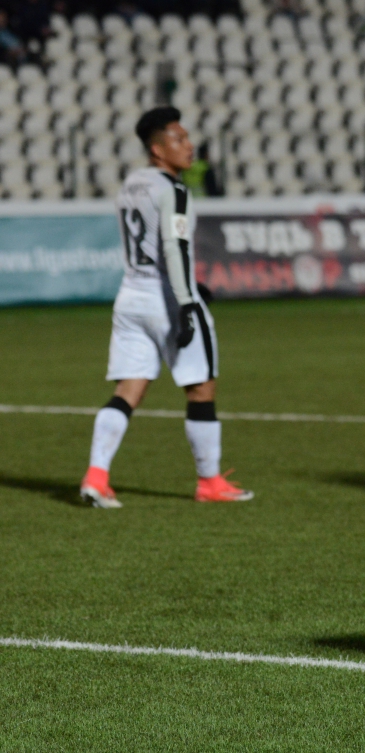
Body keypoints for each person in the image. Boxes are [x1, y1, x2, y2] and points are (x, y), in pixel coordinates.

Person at [80, 107, 253, 508]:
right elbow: (175, 248)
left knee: (127, 391)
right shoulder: (173, 190)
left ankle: (96, 477)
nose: (189, 146)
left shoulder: (130, 183)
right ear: (157, 150)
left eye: (187, 138)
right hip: (168, 301)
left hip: (131, 296)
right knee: (201, 387)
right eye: (179, 139)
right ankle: (210, 482)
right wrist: (188, 300)